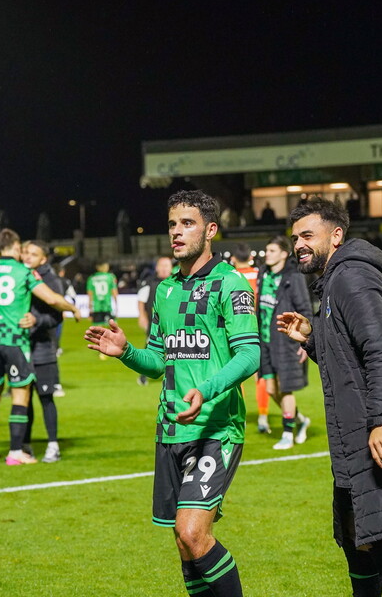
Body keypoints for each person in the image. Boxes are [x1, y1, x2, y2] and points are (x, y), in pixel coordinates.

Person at [85, 190, 258, 597]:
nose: (177, 233)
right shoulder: (165, 291)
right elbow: (161, 358)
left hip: (214, 428)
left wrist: (206, 388)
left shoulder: (228, 283)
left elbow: (250, 354)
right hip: (170, 429)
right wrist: (126, 352)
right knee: (184, 544)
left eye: (188, 224)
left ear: (210, 230)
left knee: (193, 532)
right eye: (172, 224)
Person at [277, 198, 382, 597]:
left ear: (336, 235)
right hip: (355, 435)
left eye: (307, 235)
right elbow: (350, 355)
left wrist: (381, 421)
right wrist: (313, 338)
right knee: (357, 538)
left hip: (374, 435)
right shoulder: (335, 280)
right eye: (295, 237)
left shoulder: (351, 278)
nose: (299, 244)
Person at [0, 228, 81, 466]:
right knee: (21, 394)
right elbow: (51, 299)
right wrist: (73, 308)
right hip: (15, 341)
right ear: (16, 248)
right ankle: (15, 452)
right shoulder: (23, 272)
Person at [256, 235, 312, 449]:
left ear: (283, 254)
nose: (267, 254)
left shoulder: (294, 276)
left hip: (286, 342)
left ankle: (287, 433)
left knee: (286, 388)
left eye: (271, 251)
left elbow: (305, 310)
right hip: (265, 342)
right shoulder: (263, 273)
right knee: (271, 389)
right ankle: (300, 420)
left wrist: (305, 341)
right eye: (267, 250)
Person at [21, 240, 66, 463]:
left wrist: (37, 319)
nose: (27, 257)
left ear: (43, 259)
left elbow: (57, 317)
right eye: (25, 252)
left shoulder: (50, 280)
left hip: (43, 349)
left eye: (33, 254)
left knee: (46, 398)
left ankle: (52, 445)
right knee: (23, 399)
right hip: (21, 349)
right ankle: (25, 445)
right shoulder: (18, 276)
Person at [230, 244, 268, 432]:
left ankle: (241, 417)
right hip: (259, 327)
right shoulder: (260, 276)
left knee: (238, 374)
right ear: (251, 258)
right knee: (259, 375)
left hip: (237, 330)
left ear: (234, 259)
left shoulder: (231, 276)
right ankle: (262, 417)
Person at [136, 256, 174, 386]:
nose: (164, 269)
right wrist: (141, 316)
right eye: (162, 266)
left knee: (175, 350)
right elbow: (141, 300)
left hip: (174, 324)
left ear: (171, 268)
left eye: (166, 266)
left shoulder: (177, 281)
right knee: (151, 350)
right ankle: (143, 375)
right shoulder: (150, 283)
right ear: (157, 267)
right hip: (155, 325)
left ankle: (173, 377)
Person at [87, 260, 118, 360]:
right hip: (107, 305)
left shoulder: (91, 278)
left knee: (98, 329)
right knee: (113, 327)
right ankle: (113, 347)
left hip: (96, 306)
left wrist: (90, 308)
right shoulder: (110, 277)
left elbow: (90, 294)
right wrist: (117, 304)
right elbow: (114, 291)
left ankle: (101, 349)